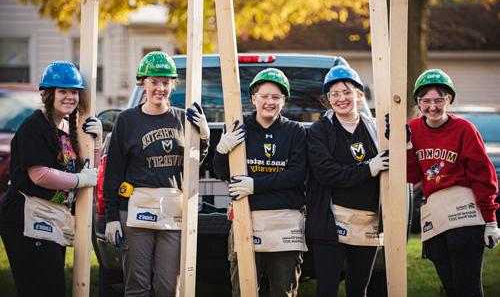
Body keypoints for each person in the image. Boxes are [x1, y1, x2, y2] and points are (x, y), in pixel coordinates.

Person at [103, 51, 210, 297]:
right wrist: (111, 217)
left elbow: (194, 164)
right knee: (137, 286)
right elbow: (114, 171)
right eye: (154, 82)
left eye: (165, 82)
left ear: (173, 84)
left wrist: (204, 137)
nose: (160, 88)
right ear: (143, 83)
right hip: (134, 210)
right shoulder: (127, 120)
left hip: (173, 212)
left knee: (168, 286)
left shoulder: (183, 119)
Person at [392, 69, 500, 296]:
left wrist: (490, 220)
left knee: (467, 289)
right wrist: (406, 147)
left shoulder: (464, 129)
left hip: (465, 214)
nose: (432, 106)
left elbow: (483, 176)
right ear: (418, 102)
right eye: (426, 101)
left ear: (448, 100)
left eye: (439, 100)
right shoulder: (412, 130)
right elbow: (412, 177)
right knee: (451, 287)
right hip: (435, 215)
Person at [0, 61, 100, 297]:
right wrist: (79, 180)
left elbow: (89, 170)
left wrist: (95, 140)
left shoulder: (66, 127)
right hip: (24, 218)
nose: (70, 97)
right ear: (48, 94)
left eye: (74, 92)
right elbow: (40, 175)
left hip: (50, 215)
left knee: (52, 286)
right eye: (62, 91)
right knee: (40, 288)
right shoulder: (35, 127)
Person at [213, 68, 307, 296]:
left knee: (283, 291)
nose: (269, 102)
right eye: (264, 96)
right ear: (253, 98)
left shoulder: (295, 132)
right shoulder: (239, 128)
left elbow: (296, 175)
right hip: (247, 220)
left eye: (276, 97)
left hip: (285, 225)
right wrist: (221, 149)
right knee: (244, 290)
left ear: (284, 101)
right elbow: (223, 173)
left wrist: (255, 185)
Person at [306, 65, 388, 297]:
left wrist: (404, 140)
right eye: (334, 94)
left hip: (368, 222)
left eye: (347, 92)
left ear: (359, 95)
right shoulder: (319, 131)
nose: (341, 98)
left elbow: (397, 164)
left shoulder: (376, 129)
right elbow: (327, 174)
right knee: (327, 289)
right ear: (328, 99)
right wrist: (369, 168)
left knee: (358, 289)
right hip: (333, 222)